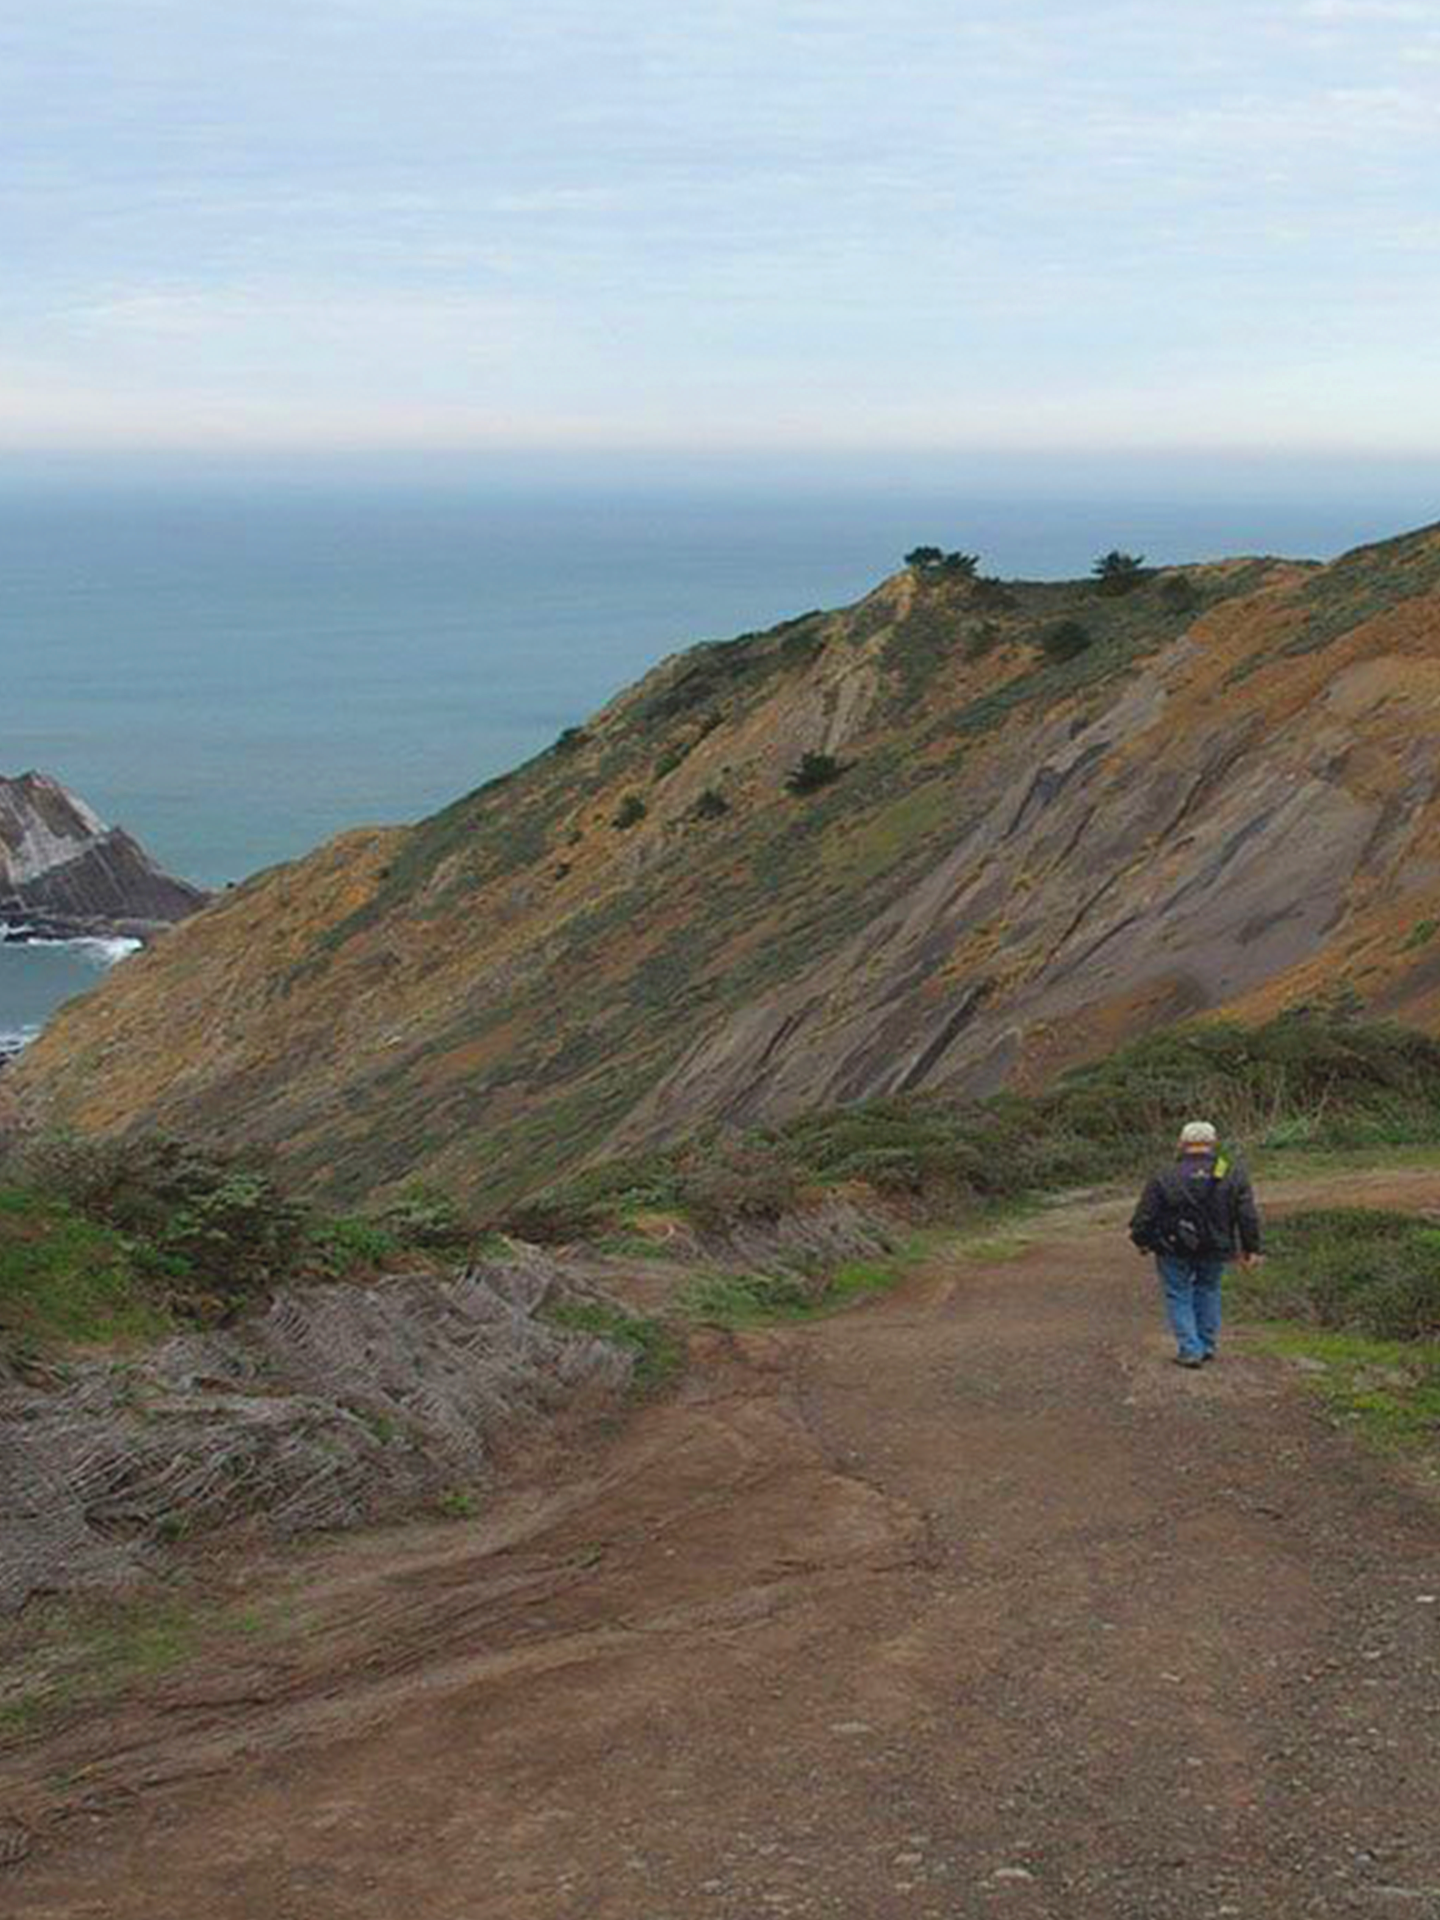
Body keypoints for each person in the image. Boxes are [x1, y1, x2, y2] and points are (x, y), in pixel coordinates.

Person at [1128, 1121, 1263, 1368]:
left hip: (1172, 1247)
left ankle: (1190, 1349)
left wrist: (1142, 1241)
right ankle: (1207, 1345)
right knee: (1208, 1290)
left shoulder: (1165, 1175)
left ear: (1182, 1143)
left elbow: (1145, 1215)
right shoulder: (1232, 1172)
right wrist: (1251, 1248)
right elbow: (1247, 1215)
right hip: (1216, 1246)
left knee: (1178, 1293)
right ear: (1213, 1143)